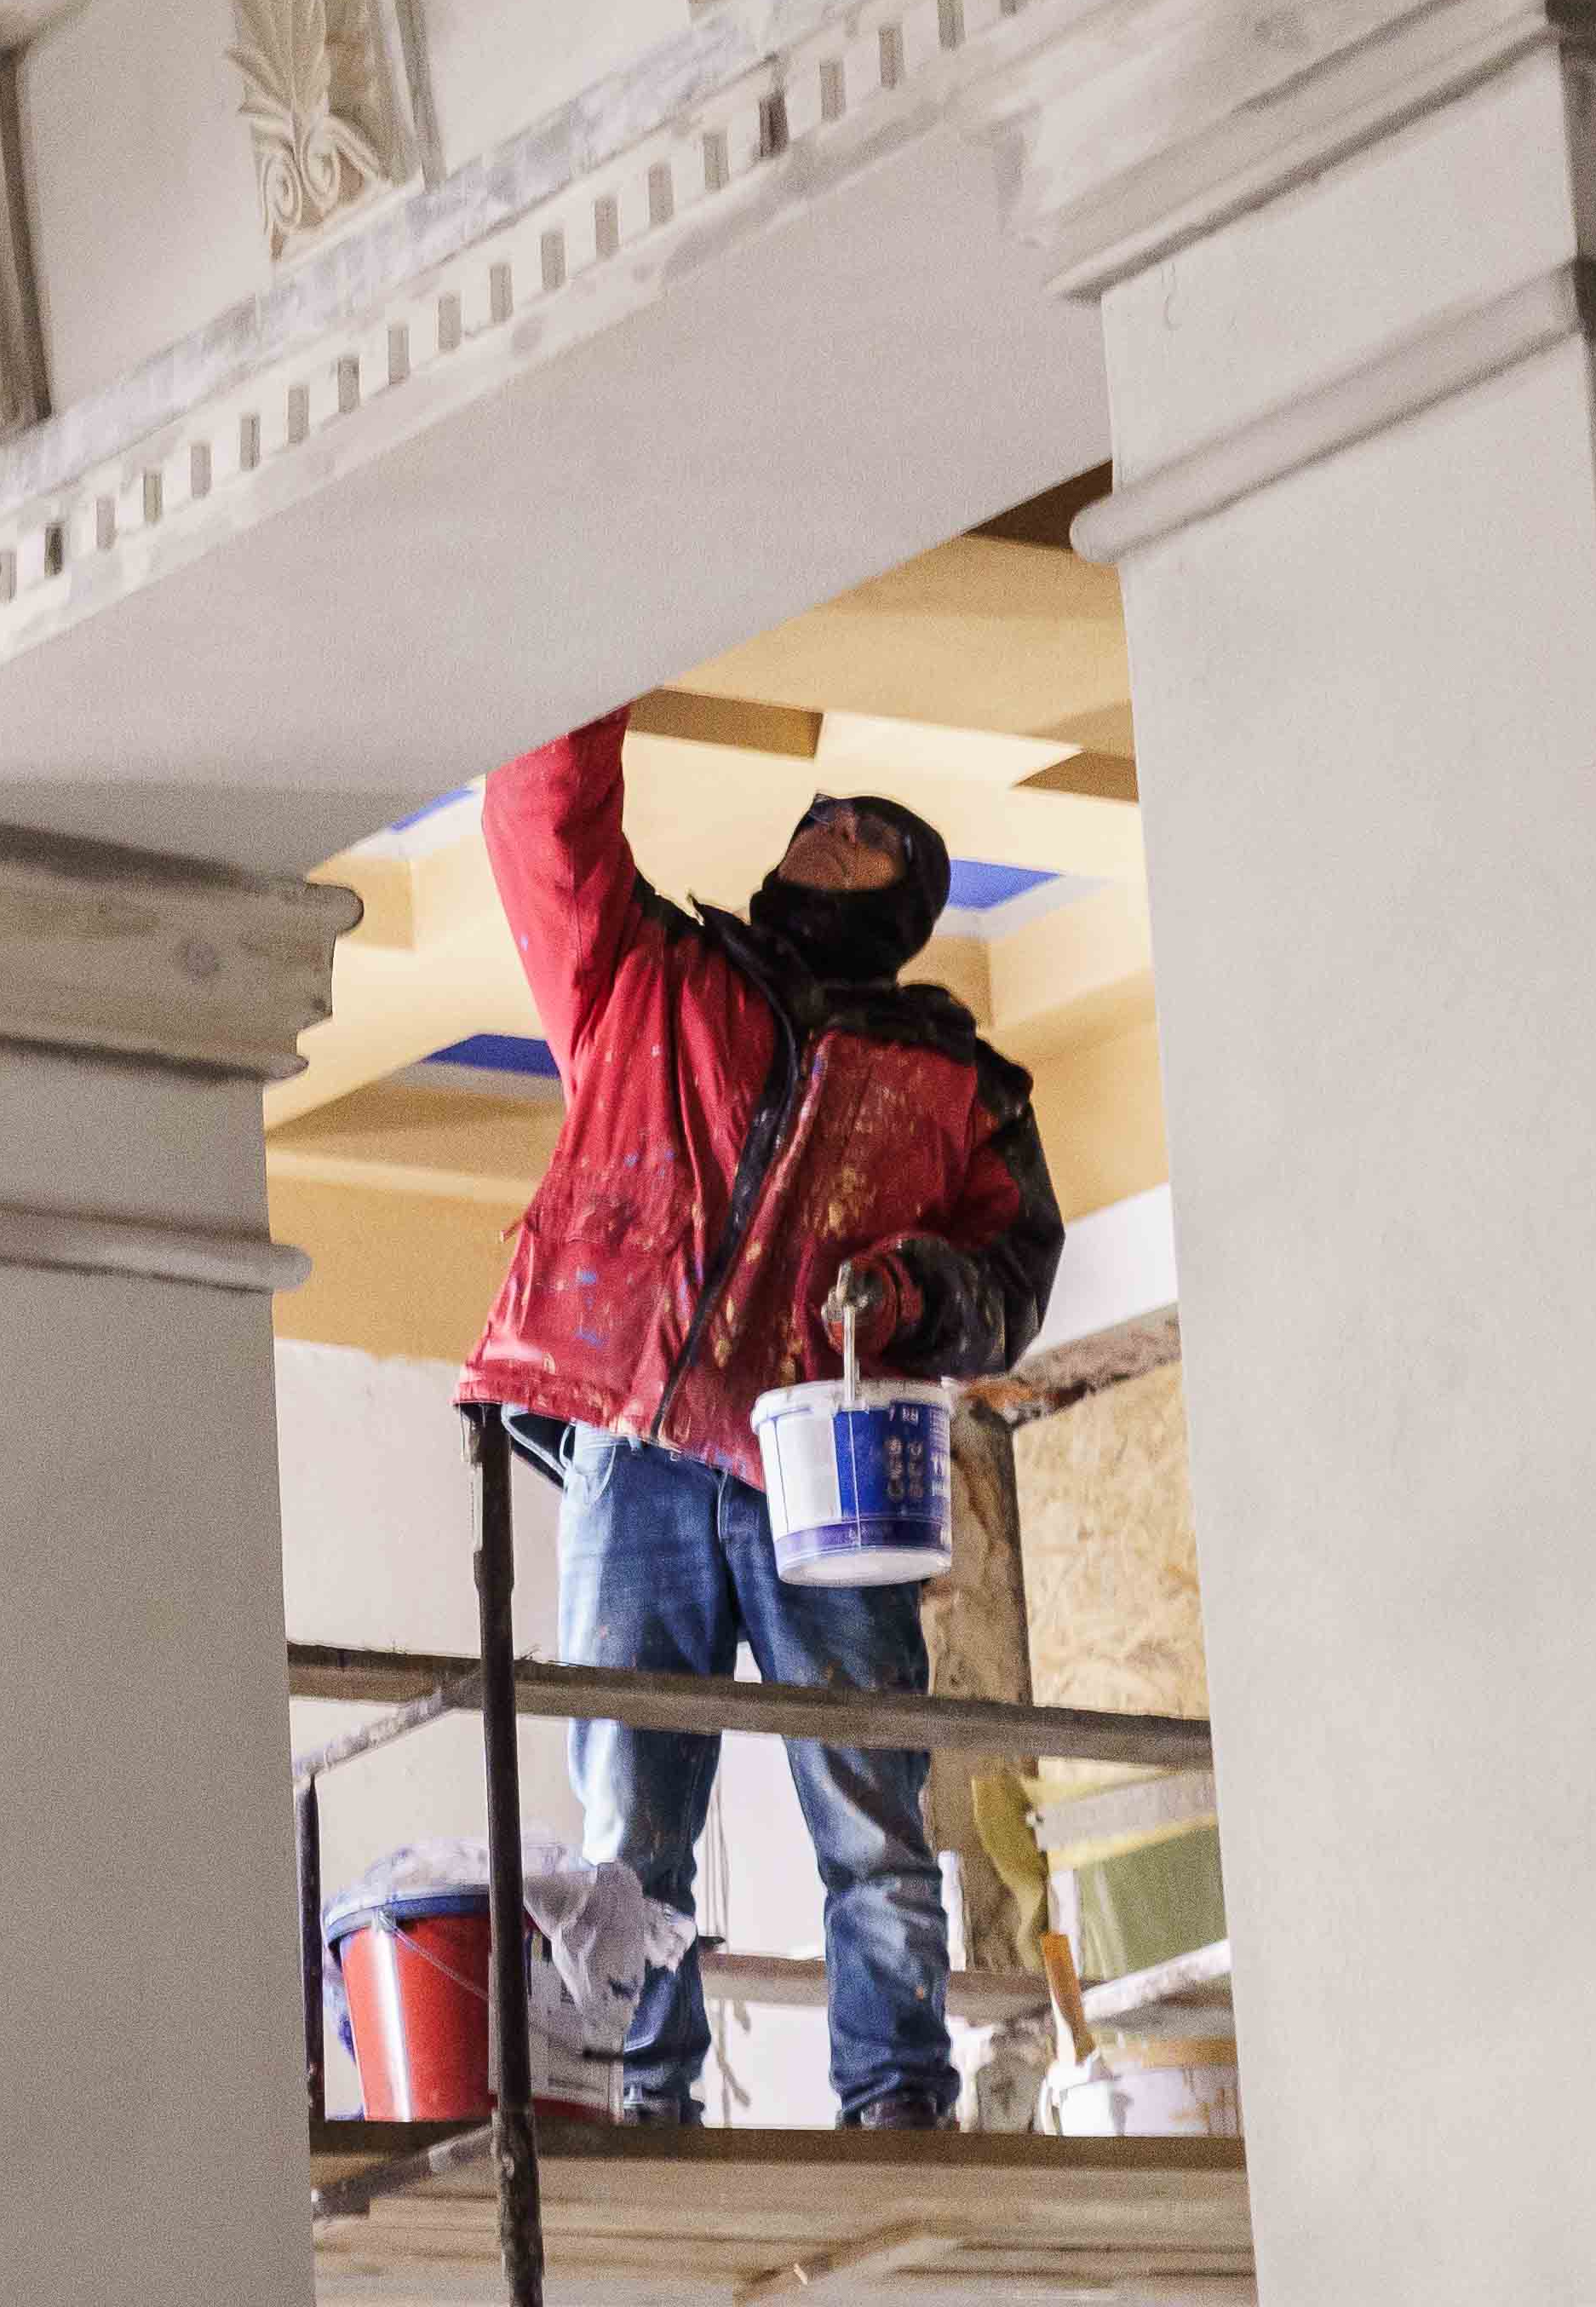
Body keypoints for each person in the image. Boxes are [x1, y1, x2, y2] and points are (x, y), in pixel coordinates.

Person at [457, 707, 1063, 2131]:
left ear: (911, 904)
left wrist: (911, 1289)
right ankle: (639, 2102)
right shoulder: (648, 978)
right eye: (820, 817)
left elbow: (1011, 1275)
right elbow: (546, 824)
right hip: (639, 1446)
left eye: (869, 833)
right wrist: (577, 666)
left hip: (826, 1466)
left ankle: (896, 2104)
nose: (828, 828)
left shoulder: (964, 1087)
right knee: (628, 1827)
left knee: (871, 1817)